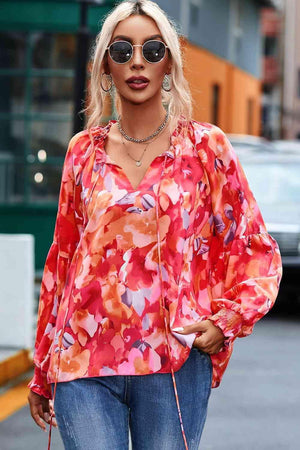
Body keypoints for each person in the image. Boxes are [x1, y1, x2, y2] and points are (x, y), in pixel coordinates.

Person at [27, 1, 282, 449]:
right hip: (84, 363)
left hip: (174, 364)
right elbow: (62, 263)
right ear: (106, 65)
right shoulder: (83, 152)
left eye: (152, 49)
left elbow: (254, 247)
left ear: (170, 64)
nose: (137, 61)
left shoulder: (206, 149)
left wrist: (226, 320)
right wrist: (43, 366)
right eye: (122, 50)